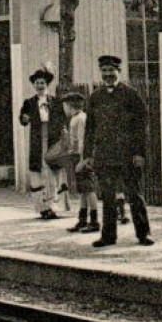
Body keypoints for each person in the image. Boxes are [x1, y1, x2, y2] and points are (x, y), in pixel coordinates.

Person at [84, 55, 153, 247]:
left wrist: (139, 153)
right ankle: (108, 236)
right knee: (107, 196)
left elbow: (141, 126)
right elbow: (90, 128)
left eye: (111, 71)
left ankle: (143, 234)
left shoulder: (131, 95)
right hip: (105, 156)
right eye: (104, 71)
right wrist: (88, 155)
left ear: (118, 72)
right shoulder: (96, 97)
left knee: (134, 195)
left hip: (128, 155)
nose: (107, 75)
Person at [18, 67, 66, 220]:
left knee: (52, 172)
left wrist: (61, 135)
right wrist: (25, 118)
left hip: (52, 139)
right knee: (38, 172)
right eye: (37, 83)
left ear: (47, 85)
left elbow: (61, 118)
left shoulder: (54, 101)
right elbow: (23, 119)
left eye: (43, 83)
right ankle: (42, 208)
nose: (40, 86)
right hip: (38, 140)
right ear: (34, 85)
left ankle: (52, 206)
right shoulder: (30, 102)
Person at [59, 93, 98, 233]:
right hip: (77, 157)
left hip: (83, 158)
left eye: (65, 106)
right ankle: (82, 220)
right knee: (83, 191)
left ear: (70, 106)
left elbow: (82, 140)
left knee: (89, 190)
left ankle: (94, 221)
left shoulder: (80, 119)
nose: (64, 109)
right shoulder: (75, 119)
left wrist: (82, 160)